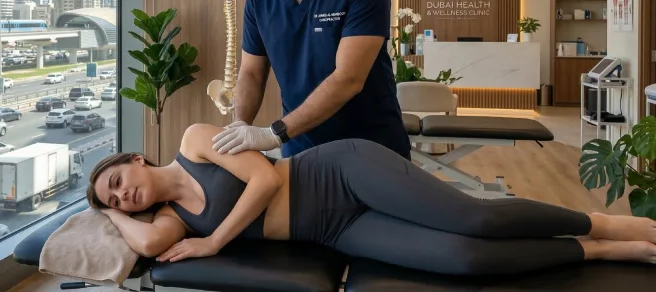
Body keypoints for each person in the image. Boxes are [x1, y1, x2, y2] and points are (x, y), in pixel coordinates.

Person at [89, 123, 656, 276]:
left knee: (473, 217)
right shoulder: (167, 221)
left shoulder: (192, 142)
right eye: (117, 202)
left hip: (341, 174)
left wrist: (215, 239)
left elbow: (262, 180)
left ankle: (604, 225)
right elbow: (145, 240)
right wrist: (109, 212)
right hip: (337, 230)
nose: (124, 195)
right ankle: (600, 253)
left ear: (134, 158)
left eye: (116, 181)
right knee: (466, 260)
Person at [212, 0, 410, 160]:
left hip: (370, 147)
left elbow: (348, 79)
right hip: (301, 150)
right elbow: (251, 72)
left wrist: (274, 134)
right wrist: (240, 126)